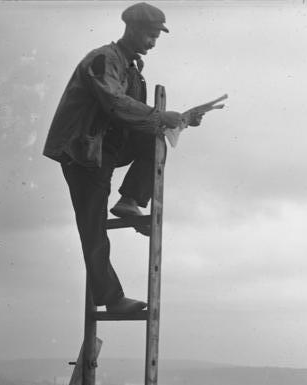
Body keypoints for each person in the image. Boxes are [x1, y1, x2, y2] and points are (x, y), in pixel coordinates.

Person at [43, 2, 204, 314]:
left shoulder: (132, 69)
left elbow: (138, 120)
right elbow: (114, 104)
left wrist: (180, 119)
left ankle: (130, 200)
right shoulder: (104, 59)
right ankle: (112, 300)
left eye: (157, 37)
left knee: (154, 139)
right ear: (133, 29)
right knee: (93, 228)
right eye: (150, 35)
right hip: (84, 151)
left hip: (107, 147)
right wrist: (160, 115)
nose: (153, 42)